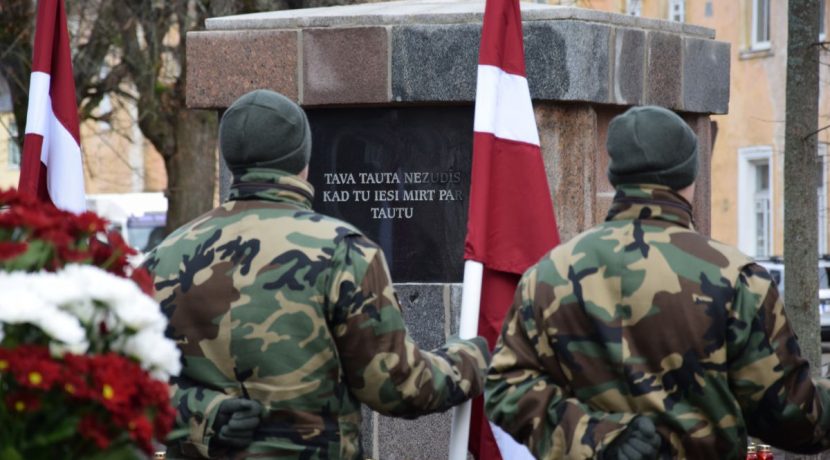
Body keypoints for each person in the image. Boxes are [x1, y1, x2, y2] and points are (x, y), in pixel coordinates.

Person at [143, 89, 490, 459]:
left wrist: (206, 416)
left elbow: (135, 385)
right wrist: (470, 358)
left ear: (231, 159)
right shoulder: (342, 251)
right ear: (302, 159)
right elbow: (398, 388)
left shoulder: (162, 259)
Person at [485, 105, 830, 459]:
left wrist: (598, 438)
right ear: (690, 174)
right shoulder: (736, 279)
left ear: (615, 176)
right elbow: (795, 419)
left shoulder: (548, 275)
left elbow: (505, 390)